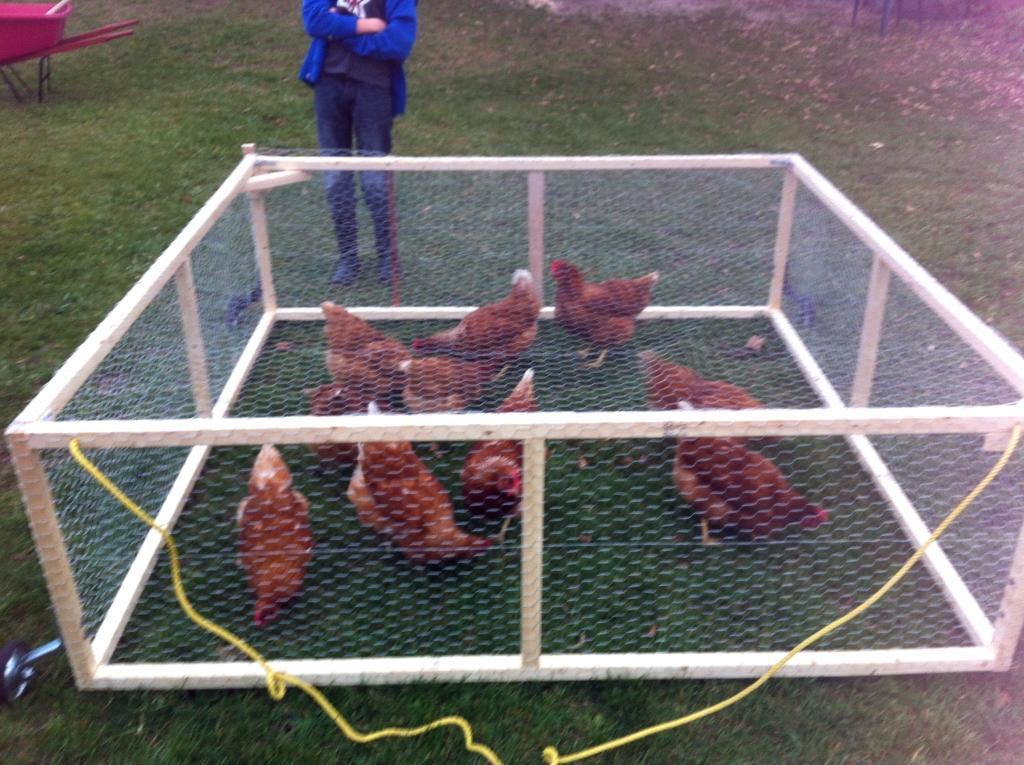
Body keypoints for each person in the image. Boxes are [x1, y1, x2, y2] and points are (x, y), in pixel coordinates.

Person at [299, 0, 419, 286]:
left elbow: (398, 42)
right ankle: (348, 259)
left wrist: (341, 31)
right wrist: (365, 27)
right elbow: (314, 22)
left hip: (374, 89)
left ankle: (388, 260)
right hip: (328, 85)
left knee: (375, 182)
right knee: (336, 179)